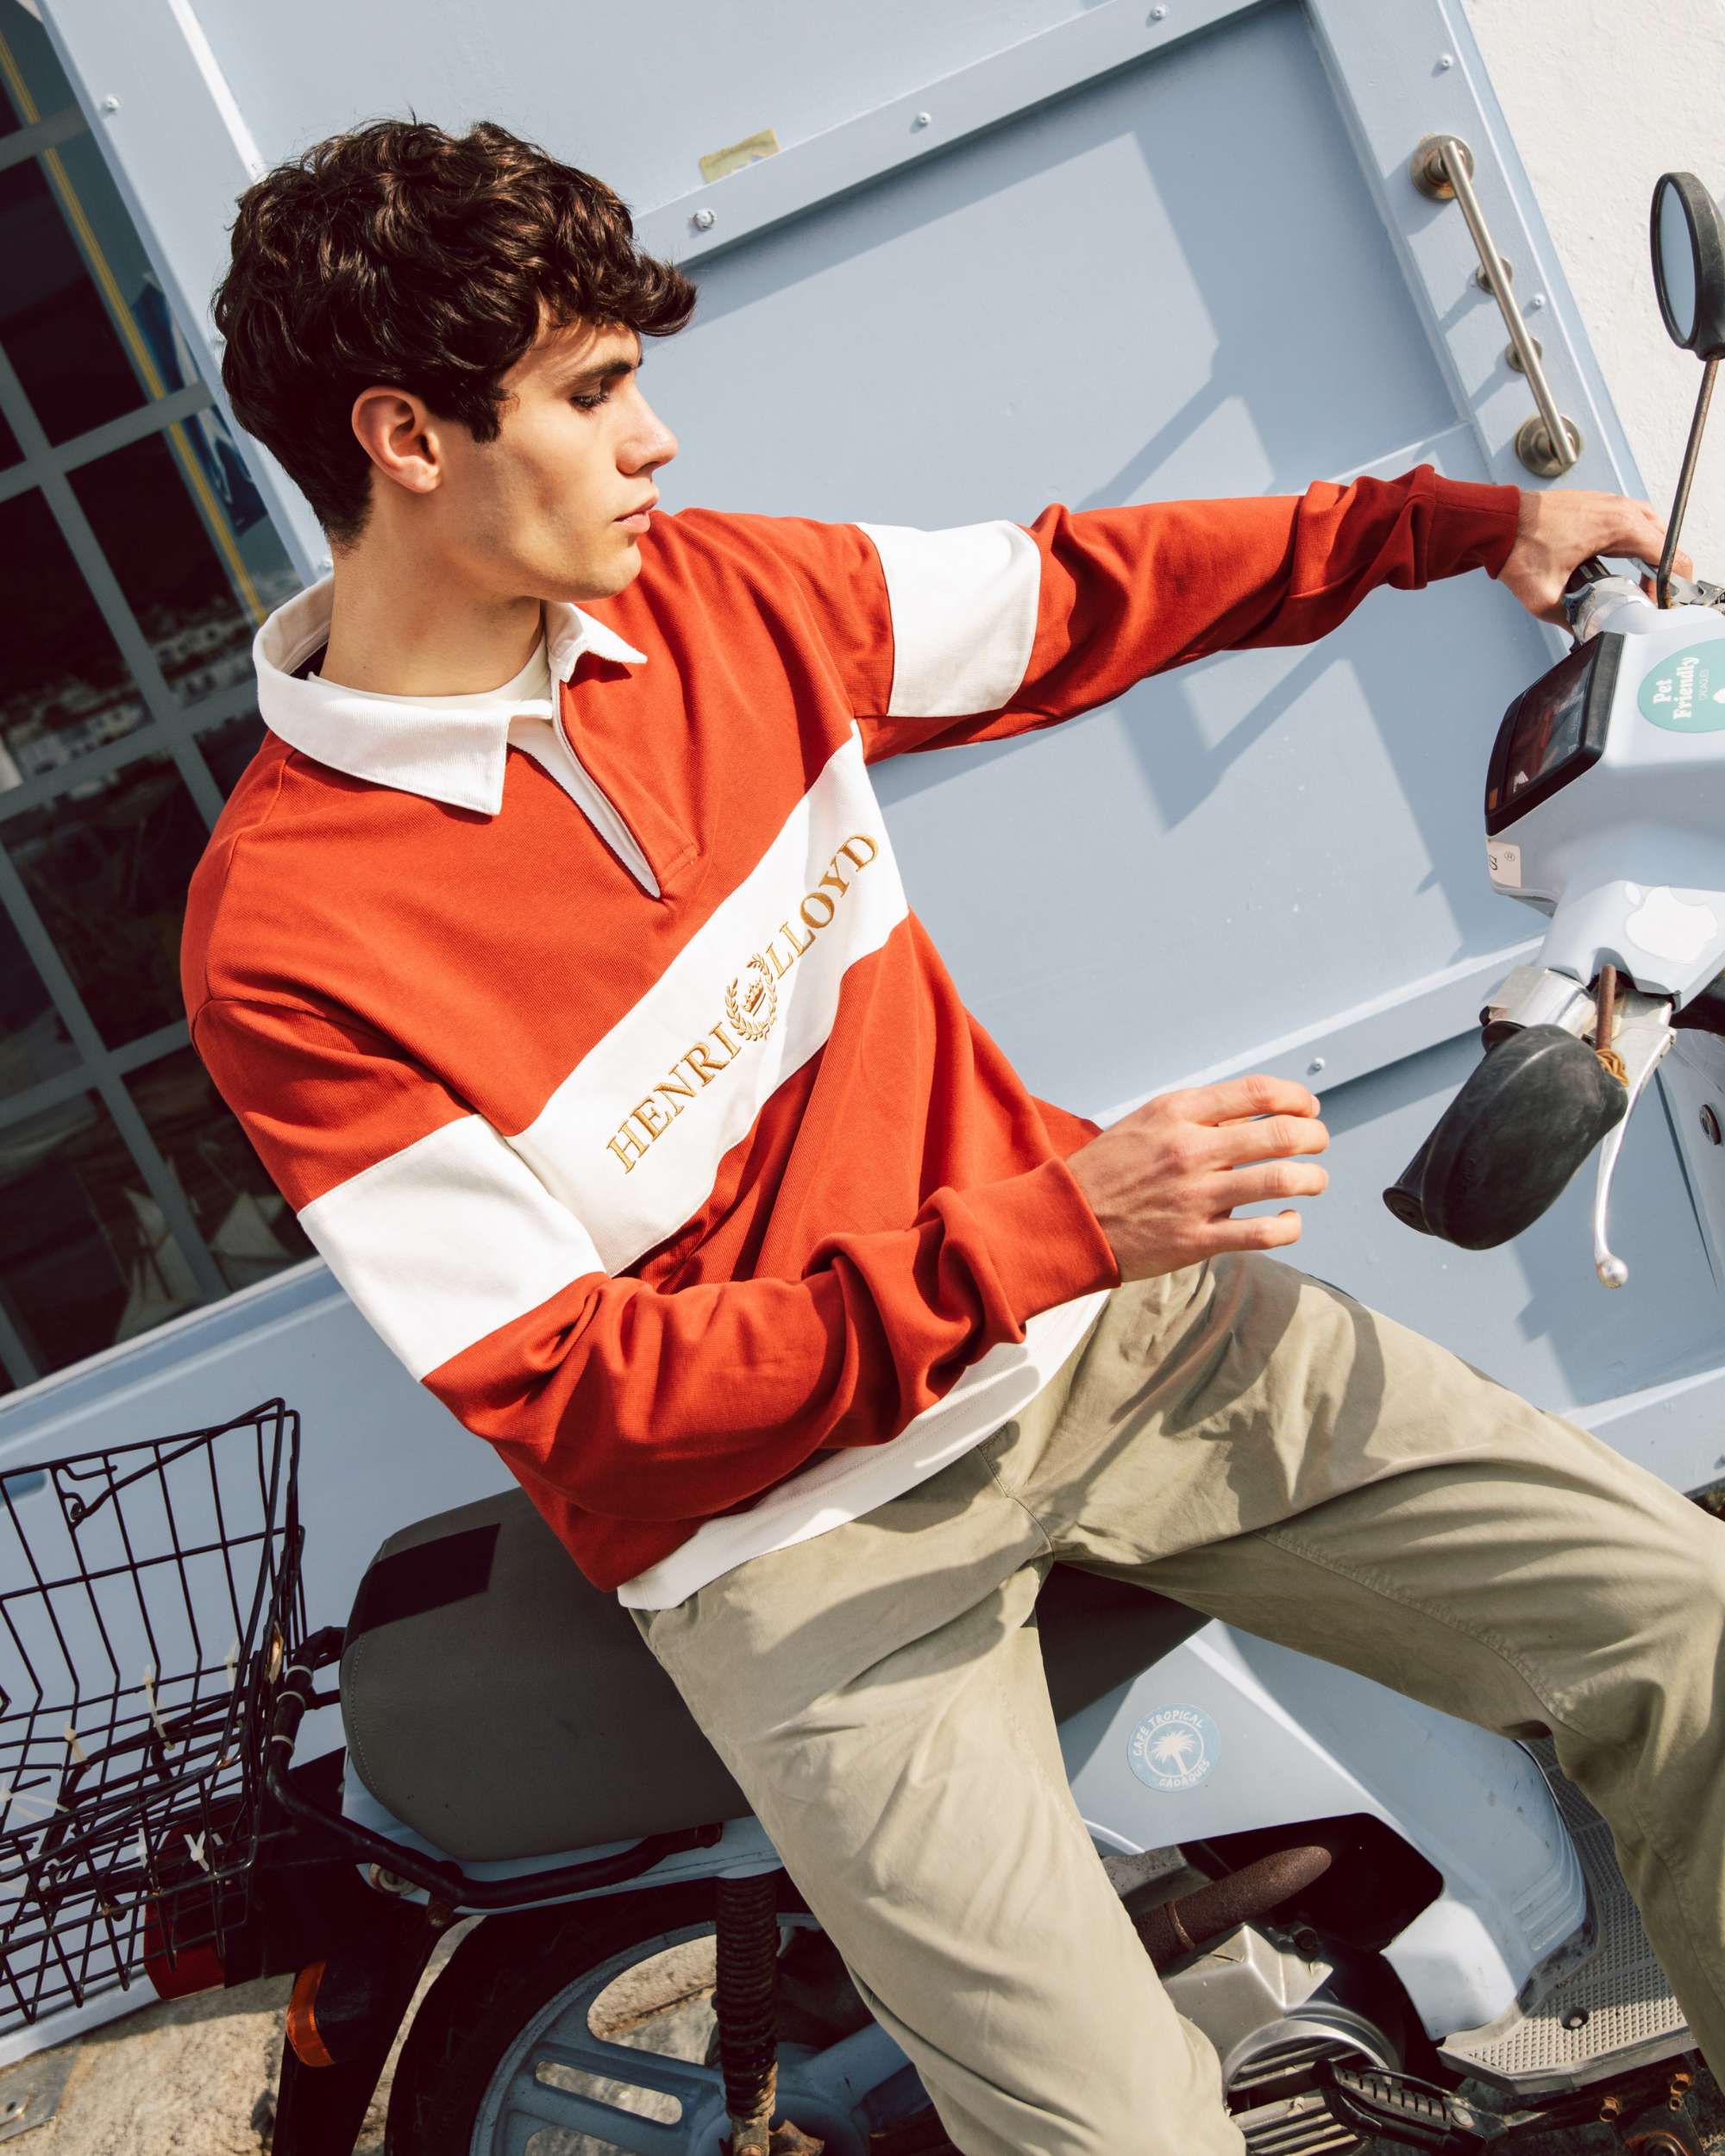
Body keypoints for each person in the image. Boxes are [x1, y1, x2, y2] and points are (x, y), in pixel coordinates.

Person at [181, 117, 1725, 2155]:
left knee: (1688, 1630)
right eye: (593, 390)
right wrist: (1054, 1226)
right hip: (799, 1551)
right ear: (405, 437)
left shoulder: (715, 598)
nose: (653, 438)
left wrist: (1451, 526)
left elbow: (1076, 593)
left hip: (1119, 1345)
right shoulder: (287, 938)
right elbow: (577, 1390)